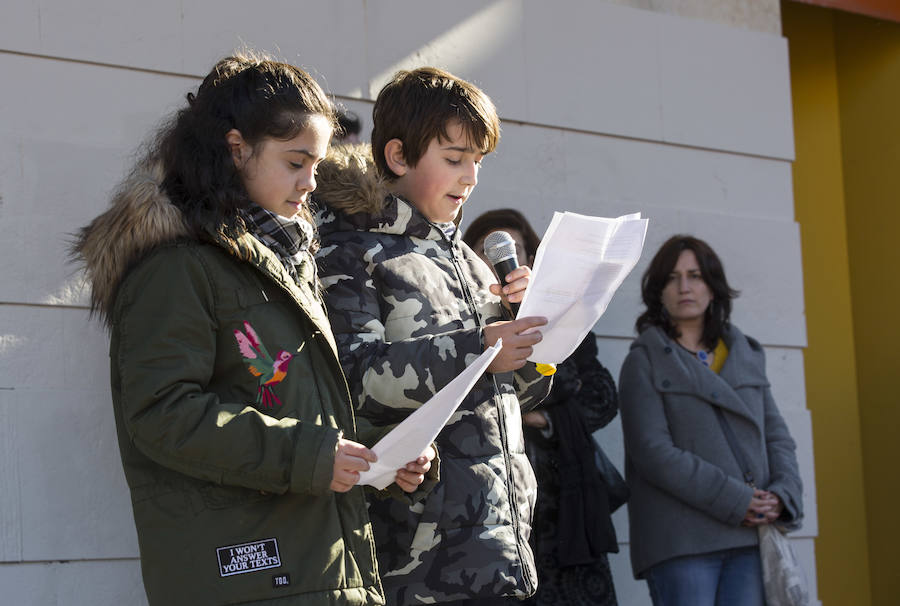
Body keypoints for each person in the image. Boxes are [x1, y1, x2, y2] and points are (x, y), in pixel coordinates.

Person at [71, 53, 435, 606]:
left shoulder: (288, 258)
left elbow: (303, 408)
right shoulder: (176, 266)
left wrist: (381, 454)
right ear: (236, 149)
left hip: (320, 567)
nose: (311, 183)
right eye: (295, 162)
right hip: (247, 575)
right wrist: (313, 456)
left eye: (317, 162)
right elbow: (160, 412)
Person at [312, 67, 553, 605]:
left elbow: (522, 393)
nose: (470, 178)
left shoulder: (470, 261)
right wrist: (481, 349)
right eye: (453, 159)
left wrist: (535, 332)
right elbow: (351, 377)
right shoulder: (350, 252)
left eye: (478, 162)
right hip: (415, 561)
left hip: (503, 546)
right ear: (398, 157)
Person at [618, 235, 803, 606]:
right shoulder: (644, 359)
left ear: (713, 286)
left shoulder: (746, 352)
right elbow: (653, 452)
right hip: (682, 544)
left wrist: (783, 496)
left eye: (695, 275)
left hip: (750, 537)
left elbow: (777, 437)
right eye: (672, 277)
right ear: (658, 291)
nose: (684, 286)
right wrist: (736, 498)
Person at [463, 208, 620, 606]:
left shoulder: (562, 319)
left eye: (516, 252)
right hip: (497, 507)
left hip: (567, 505)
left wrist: (542, 416)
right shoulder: (458, 322)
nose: (502, 262)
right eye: (487, 251)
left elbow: (601, 397)